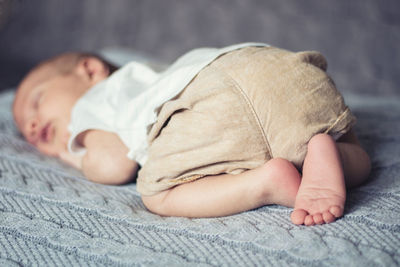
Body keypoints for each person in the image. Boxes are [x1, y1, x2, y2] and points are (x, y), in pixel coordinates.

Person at [12, 43, 371, 226]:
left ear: (89, 70)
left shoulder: (92, 105)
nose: (31, 126)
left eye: (36, 102)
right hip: (277, 66)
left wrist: (67, 151)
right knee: (340, 139)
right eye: (26, 131)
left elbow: (113, 164)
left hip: (212, 98)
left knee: (157, 194)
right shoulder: (156, 71)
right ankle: (332, 152)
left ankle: (265, 182)